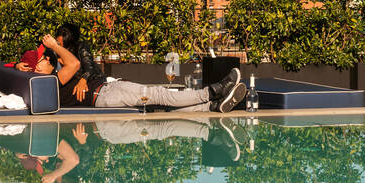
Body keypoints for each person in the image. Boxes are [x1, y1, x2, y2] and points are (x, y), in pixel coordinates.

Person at [38, 45, 247, 113]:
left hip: (105, 91)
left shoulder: (50, 83)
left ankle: (212, 106)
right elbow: (73, 63)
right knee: (160, 94)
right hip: (103, 94)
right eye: (42, 61)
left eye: (43, 60)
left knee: (160, 106)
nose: (42, 62)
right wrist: (55, 46)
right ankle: (215, 90)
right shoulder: (50, 83)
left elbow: (72, 65)